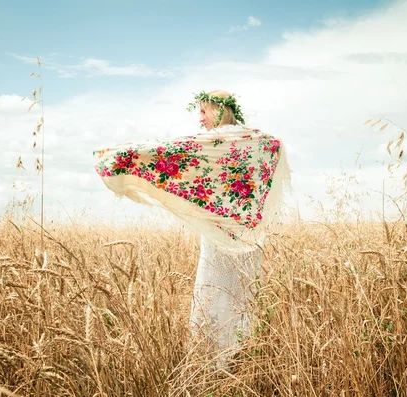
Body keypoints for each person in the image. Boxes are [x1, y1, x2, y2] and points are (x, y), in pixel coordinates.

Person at [93, 89, 290, 364]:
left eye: (203, 111)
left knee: (214, 294)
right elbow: (275, 146)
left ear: (219, 109)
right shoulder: (256, 141)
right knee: (239, 298)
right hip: (245, 237)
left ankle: (215, 363)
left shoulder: (212, 142)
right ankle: (236, 358)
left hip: (223, 237)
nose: (200, 119)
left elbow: (167, 151)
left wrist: (118, 155)